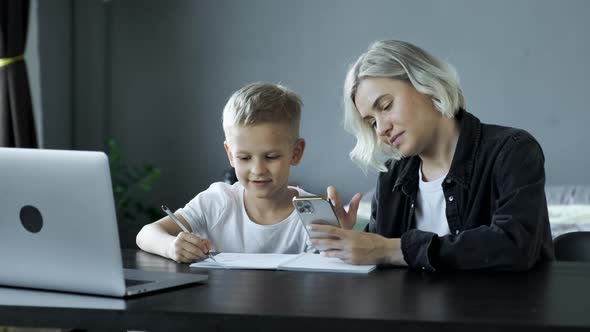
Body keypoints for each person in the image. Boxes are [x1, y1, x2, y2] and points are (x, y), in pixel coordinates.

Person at [309, 40, 554, 271]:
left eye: (385, 106)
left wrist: (393, 249)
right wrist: (346, 243)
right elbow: (380, 259)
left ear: (426, 84)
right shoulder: (391, 177)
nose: (381, 129)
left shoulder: (512, 150)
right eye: (372, 122)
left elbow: (515, 245)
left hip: (503, 313)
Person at [137, 82, 313, 263]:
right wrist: (172, 247)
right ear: (230, 154)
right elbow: (146, 234)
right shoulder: (216, 202)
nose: (258, 170)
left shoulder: (313, 214)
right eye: (244, 158)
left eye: (271, 157)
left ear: (296, 152)